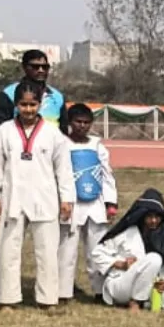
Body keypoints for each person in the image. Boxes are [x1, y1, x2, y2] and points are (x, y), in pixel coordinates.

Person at [0, 81, 75, 311]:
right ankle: (8, 299)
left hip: (44, 198)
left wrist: (67, 199)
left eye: (32, 104)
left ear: (40, 104)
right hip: (12, 197)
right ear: (16, 105)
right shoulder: (4, 131)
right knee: (8, 250)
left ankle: (47, 299)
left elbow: (64, 170)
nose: (28, 110)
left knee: (47, 252)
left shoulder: (53, 134)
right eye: (23, 104)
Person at [92, 190, 164, 312]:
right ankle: (135, 302)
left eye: (157, 217)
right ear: (142, 215)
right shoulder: (126, 232)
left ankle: (145, 301)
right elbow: (97, 254)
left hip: (150, 286)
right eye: (150, 216)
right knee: (154, 258)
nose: (153, 221)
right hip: (122, 284)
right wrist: (120, 263)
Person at [58, 103, 117, 302]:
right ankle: (63, 292)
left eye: (86, 122)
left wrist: (111, 203)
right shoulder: (61, 143)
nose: (82, 126)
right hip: (71, 205)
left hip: (95, 204)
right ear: (70, 122)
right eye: (78, 122)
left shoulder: (97, 145)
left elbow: (107, 175)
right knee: (67, 251)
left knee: (97, 250)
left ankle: (101, 291)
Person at [0, 50, 67, 136]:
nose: (41, 70)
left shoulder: (58, 98)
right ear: (24, 68)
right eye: (35, 67)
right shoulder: (8, 95)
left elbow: (64, 132)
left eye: (45, 67)